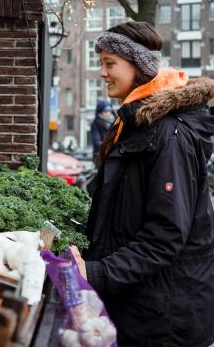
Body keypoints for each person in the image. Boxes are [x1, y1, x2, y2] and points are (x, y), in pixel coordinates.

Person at [77, 21, 214, 346]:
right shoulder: (135, 124)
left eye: (110, 63)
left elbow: (165, 235)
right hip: (143, 303)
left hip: (166, 315)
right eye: (101, 64)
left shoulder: (168, 135)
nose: (102, 73)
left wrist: (95, 272)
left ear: (139, 66)